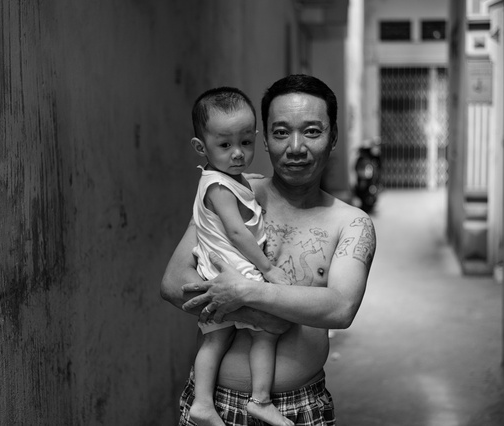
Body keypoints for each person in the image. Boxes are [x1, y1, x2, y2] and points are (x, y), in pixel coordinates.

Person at [161, 74, 376, 426]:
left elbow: (341, 307)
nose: (295, 147)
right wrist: (260, 316)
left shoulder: (351, 223)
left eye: (311, 131)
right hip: (213, 405)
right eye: (280, 132)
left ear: (333, 136)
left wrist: (248, 292)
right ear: (266, 138)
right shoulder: (234, 195)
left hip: (299, 409)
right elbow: (173, 282)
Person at [185, 86, 294, 426]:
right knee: (268, 330)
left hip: (225, 269)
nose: (237, 153)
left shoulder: (234, 180)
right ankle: (259, 400)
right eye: (225, 144)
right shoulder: (218, 186)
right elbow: (235, 232)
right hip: (234, 271)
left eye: (245, 142)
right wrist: (268, 269)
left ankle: (203, 403)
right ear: (201, 148)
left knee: (216, 338)